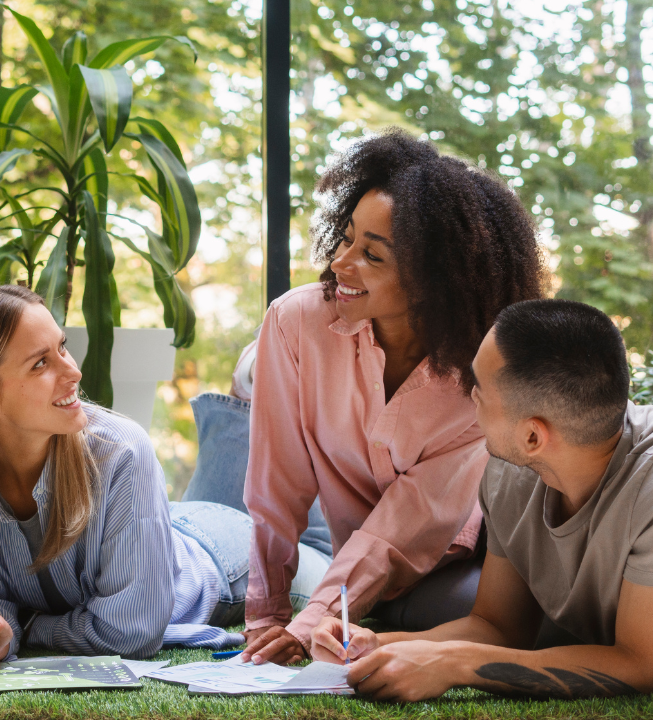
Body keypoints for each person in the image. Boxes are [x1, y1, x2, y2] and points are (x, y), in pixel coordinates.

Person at [312, 298, 653, 699]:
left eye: (478, 387)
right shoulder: (511, 470)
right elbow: (498, 626)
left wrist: (456, 664)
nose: (468, 393)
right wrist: (381, 644)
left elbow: (643, 667)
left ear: (532, 436)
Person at [236, 129, 546, 665]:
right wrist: (268, 615)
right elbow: (275, 486)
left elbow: (400, 527)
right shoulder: (296, 321)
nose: (340, 262)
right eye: (347, 236)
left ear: (434, 280)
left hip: (448, 557)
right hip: (342, 537)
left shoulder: (483, 375)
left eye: (371, 256)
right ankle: (244, 378)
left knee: (524, 624)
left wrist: (315, 620)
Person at [0, 285, 303, 662]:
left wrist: (26, 626)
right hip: (156, 527)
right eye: (41, 363)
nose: (74, 372)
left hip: (219, 555)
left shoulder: (121, 450)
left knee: (321, 539)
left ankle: (273, 376)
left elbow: (129, 632)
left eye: (62, 347)